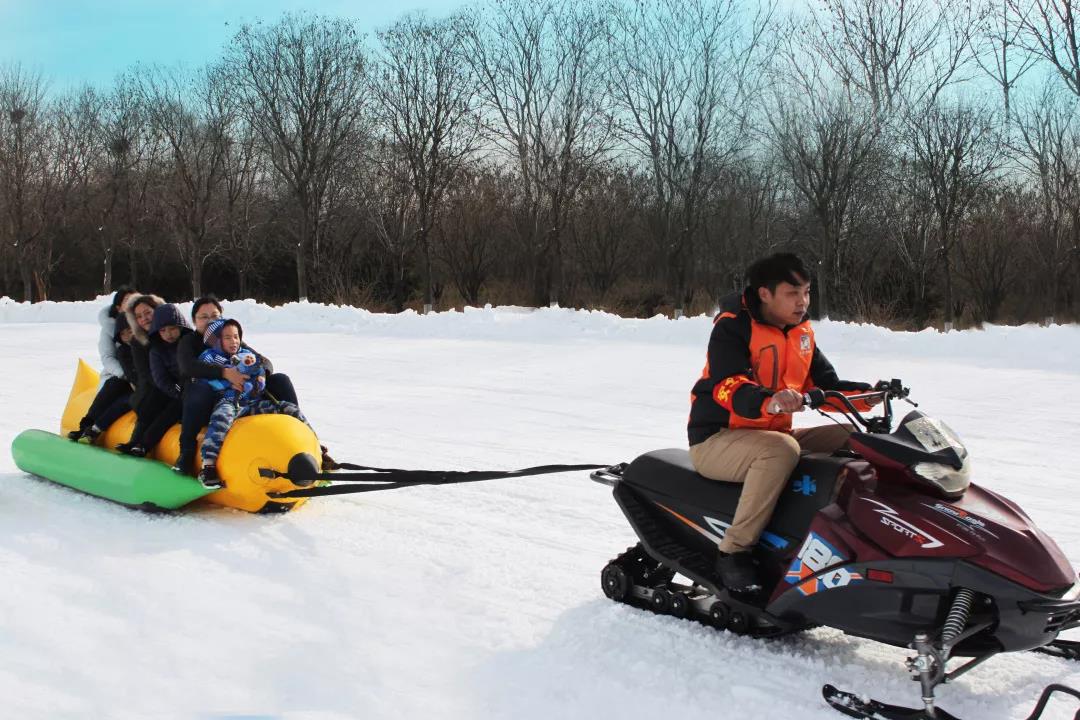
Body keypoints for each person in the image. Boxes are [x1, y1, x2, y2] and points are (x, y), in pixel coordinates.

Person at [688, 253, 876, 593]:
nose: (803, 302)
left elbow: (826, 386)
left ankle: (848, 537)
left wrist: (870, 395)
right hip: (718, 439)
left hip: (772, 434)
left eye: (806, 292)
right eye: (793, 293)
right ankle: (734, 553)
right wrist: (768, 400)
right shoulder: (733, 326)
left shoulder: (801, 333)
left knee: (855, 437)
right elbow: (727, 385)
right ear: (765, 294)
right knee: (781, 450)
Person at [172, 295, 330, 475]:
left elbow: (264, 361)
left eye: (215, 316)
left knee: (280, 379)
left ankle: (300, 438)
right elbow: (188, 367)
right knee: (197, 389)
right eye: (204, 317)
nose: (210, 321)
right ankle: (186, 453)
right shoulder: (190, 341)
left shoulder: (230, 339)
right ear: (194, 321)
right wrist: (226, 373)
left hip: (242, 397)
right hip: (208, 401)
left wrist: (258, 375)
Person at [194, 318, 315, 489]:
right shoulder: (209, 358)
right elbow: (205, 380)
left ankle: (315, 447)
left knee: (289, 409)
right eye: (227, 337)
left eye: (236, 336)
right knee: (222, 418)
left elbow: (260, 370)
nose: (234, 341)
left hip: (251, 403)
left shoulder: (247, 355)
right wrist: (228, 382)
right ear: (216, 340)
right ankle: (208, 466)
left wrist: (258, 381)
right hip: (228, 401)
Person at [71, 314, 138, 442]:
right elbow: (129, 371)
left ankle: (97, 428)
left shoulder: (146, 346)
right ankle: (87, 426)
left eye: (130, 331)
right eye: (124, 334)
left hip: (147, 387)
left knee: (127, 400)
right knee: (112, 384)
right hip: (133, 383)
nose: (128, 336)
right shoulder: (124, 351)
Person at [140, 303, 195, 455]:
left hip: (195, 387)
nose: (168, 334)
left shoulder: (191, 342)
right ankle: (143, 444)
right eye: (163, 330)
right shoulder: (157, 350)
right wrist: (178, 393)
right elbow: (161, 379)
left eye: (172, 328)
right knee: (168, 412)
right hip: (174, 390)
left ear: (180, 326)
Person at [117, 293, 165, 456]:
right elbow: (144, 373)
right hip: (154, 387)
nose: (144, 318)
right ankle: (135, 442)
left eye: (148, 313)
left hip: (177, 386)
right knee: (150, 403)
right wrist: (166, 386)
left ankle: (140, 444)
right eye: (139, 316)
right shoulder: (137, 343)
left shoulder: (174, 331)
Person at [96, 286, 135, 387]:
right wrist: (124, 374)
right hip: (116, 374)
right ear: (119, 307)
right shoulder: (108, 328)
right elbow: (108, 358)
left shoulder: (143, 322)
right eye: (127, 300)